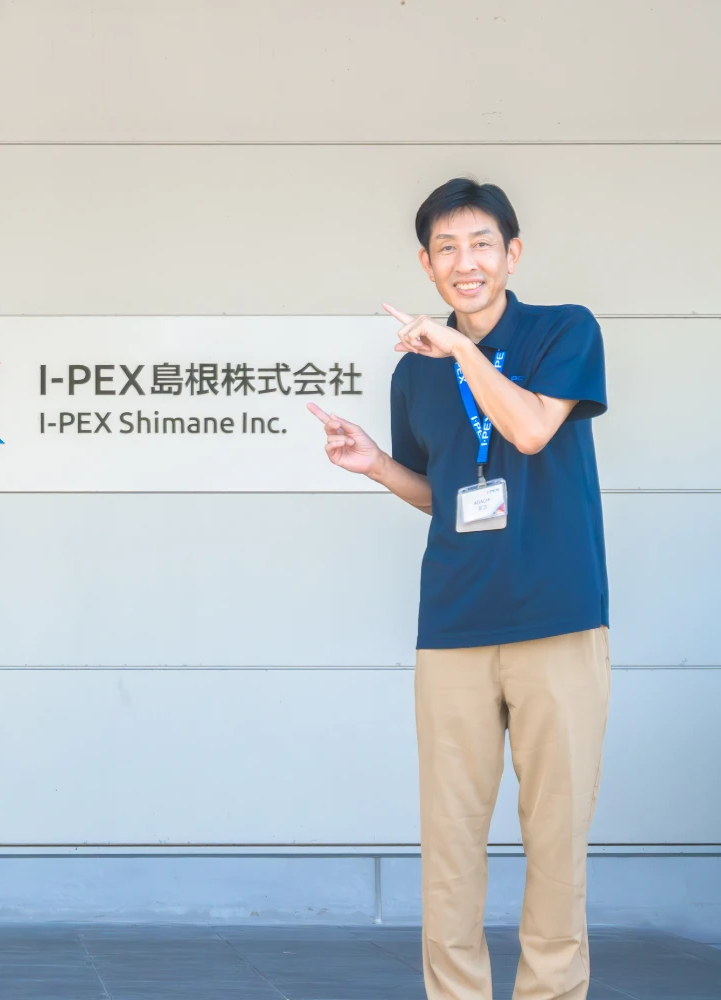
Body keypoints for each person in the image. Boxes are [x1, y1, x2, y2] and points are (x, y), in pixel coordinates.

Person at [308, 179, 609, 1000]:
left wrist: (462, 350)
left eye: (481, 244)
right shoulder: (414, 374)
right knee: (449, 839)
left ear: (513, 254)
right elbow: (445, 494)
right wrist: (377, 465)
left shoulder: (563, 330)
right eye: (446, 248)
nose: (464, 262)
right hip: (453, 624)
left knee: (556, 837)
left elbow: (531, 430)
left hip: (558, 619)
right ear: (425, 263)